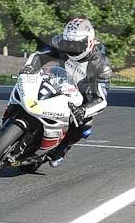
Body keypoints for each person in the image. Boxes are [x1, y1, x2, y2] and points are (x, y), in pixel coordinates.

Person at [20, 18, 113, 167]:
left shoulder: (101, 64)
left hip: (83, 93)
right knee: (30, 87)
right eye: (69, 43)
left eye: (78, 44)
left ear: (89, 42)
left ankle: (63, 148)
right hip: (60, 79)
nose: (72, 47)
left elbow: (101, 99)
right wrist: (29, 68)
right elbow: (39, 56)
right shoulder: (60, 43)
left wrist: (83, 110)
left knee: (85, 128)